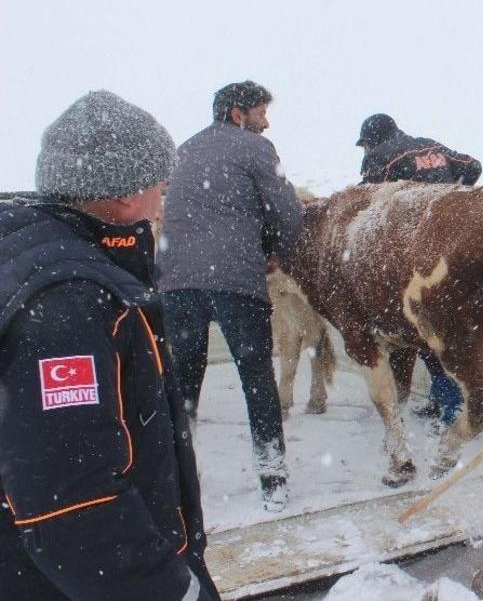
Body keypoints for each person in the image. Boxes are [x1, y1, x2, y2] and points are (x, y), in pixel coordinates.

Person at [0, 91, 220, 601]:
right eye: (160, 190)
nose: (162, 208)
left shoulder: (30, 260)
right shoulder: (68, 300)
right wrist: (169, 592)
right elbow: (72, 498)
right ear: (125, 197)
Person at [158, 80, 303, 512]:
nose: (266, 121)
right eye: (260, 112)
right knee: (256, 377)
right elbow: (288, 212)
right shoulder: (256, 148)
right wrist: (276, 250)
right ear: (238, 114)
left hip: (176, 280)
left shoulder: (182, 149)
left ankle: (182, 480)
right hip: (234, 277)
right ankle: (273, 480)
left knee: (183, 384)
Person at [356, 112, 483, 427]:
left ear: (370, 141)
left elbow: (366, 200)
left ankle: (452, 407)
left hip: (415, 255)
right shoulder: (431, 146)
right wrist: (450, 196)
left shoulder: (378, 157)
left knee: (423, 329)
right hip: (453, 249)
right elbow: (474, 166)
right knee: (444, 328)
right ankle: (441, 399)